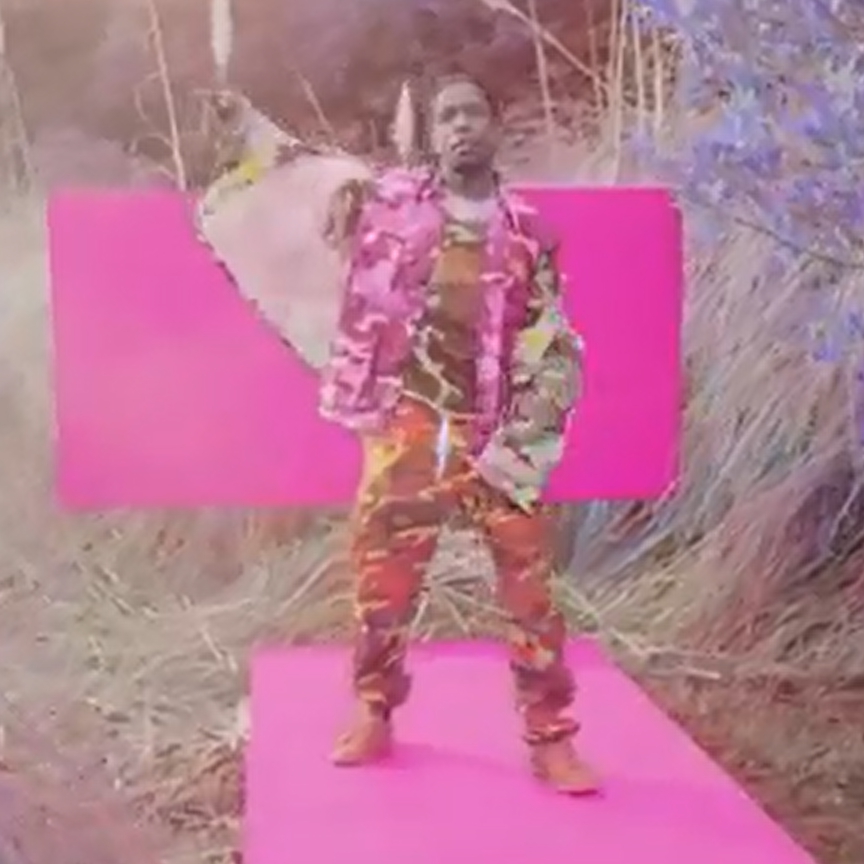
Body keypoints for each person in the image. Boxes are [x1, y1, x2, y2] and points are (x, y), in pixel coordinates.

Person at [320, 72, 598, 795]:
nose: (461, 126)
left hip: (495, 427)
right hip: (411, 422)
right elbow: (313, 194)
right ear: (431, 132)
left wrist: (527, 433)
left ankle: (551, 734)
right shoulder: (390, 207)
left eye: (473, 112)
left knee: (530, 588)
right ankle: (375, 707)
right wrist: (336, 200)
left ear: (495, 126)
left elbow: (551, 341)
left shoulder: (528, 231)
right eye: (446, 116)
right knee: (382, 574)